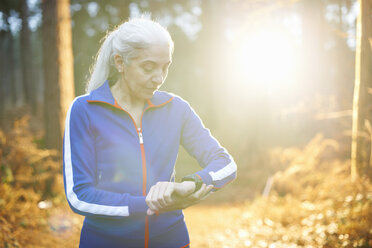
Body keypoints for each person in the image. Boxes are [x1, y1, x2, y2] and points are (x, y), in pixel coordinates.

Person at [63, 17, 237, 248]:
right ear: (120, 62)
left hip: (171, 240)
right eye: (149, 67)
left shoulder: (176, 108)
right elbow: (80, 196)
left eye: (165, 67)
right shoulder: (84, 110)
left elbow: (225, 163)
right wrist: (148, 204)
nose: (159, 78)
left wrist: (190, 184)